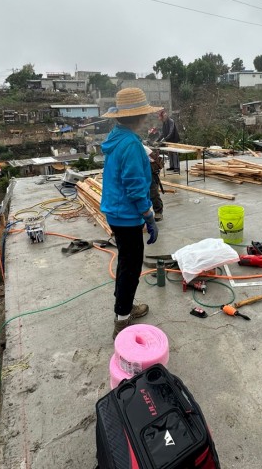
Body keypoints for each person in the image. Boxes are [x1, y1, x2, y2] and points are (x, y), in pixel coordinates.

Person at [100, 88, 163, 339]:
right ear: (138, 118)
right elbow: (135, 187)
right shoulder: (131, 145)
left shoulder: (116, 137)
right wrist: (148, 215)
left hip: (116, 212)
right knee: (131, 267)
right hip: (126, 215)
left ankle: (123, 309)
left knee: (127, 262)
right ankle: (122, 320)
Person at [157, 108, 181, 173]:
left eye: (162, 119)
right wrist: (158, 140)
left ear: (164, 117)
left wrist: (165, 139)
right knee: (170, 153)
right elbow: (162, 133)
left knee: (174, 153)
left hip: (174, 139)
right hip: (168, 140)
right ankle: (172, 166)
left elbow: (171, 131)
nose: (161, 120)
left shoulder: (171, 121)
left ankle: (177, 167)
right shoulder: (164, 123)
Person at [145, 145, 164, 222]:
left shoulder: (142, 148)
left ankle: (158, 211)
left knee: (153, 193)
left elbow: (155, 159)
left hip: (149, 171)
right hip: (137, 171)